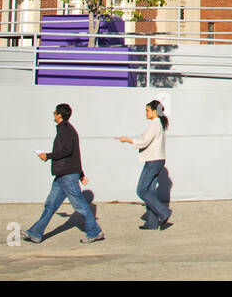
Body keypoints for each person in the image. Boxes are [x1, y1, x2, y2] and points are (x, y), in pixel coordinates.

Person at [23, 103, 105, 244]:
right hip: (62, 176)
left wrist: (47, 156)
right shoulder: (65, 129)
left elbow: (67, 151)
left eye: (55, 112)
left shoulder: (66, 130)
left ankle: (95, 232)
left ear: (60, 115)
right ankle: (35, 233)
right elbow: (74, 154)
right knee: (50, 205)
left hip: (67, 175)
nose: (53, 115)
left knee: (80, 205)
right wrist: (81, 174)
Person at [118, 100, 172, 230]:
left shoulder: (154, 124)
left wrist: (128, 140)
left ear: (154, 111)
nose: (146, 113)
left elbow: (144, 141)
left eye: (148, 110)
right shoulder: (159, 123)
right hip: (158, 160)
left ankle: (164, 212)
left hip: (153, 161)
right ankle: (152, 223)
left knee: (141, 190)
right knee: (151, 191)